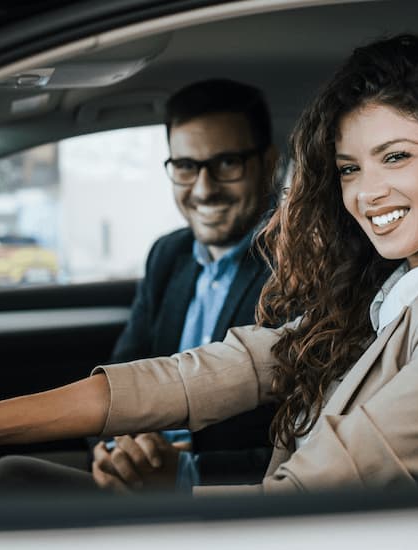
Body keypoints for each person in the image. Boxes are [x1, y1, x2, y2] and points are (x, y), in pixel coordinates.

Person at [0, 34, 418, 496]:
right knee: (8, 482)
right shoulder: (395, 289)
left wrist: (176, 493)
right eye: (348, 169)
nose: (366, 194)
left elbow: (311, 508)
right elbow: (212, 371)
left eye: (396, 157)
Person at [100, 79, 280, 489]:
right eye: (185, 166)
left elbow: (312, 447)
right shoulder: (168, 254)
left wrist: (184, 475)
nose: (203, 189)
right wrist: (114, 450)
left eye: (227, 163)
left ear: (268, 163)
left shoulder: (303, 266)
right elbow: (121, 374)